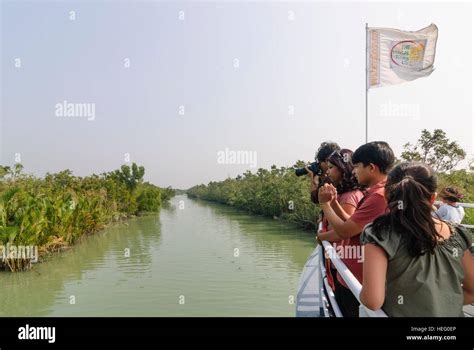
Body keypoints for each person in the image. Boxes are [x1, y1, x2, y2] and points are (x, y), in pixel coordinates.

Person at [359, 162, 474, 316]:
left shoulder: (379, 233)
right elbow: (472, 291)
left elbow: (373, 301)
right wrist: (441, 303)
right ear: (433, 198)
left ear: (386, 195)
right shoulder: (458, 235)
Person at [317, 141, 395, 317]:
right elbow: (355, 222)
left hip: (358, 280)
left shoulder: (378, 197)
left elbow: (345, 231)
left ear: (372, 168)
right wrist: (335, 203)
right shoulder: (377, 192)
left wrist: (325, 204)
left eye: (357, 166)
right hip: (355, 275)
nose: (354, 171)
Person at [322, 149, 365, 316]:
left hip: (346, 264)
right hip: (345, 262)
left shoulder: (348, 197)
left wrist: (321, 237)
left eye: (332, 167)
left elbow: (344, 231)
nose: (327, 170)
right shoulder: (347, 194)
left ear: (343, 169)